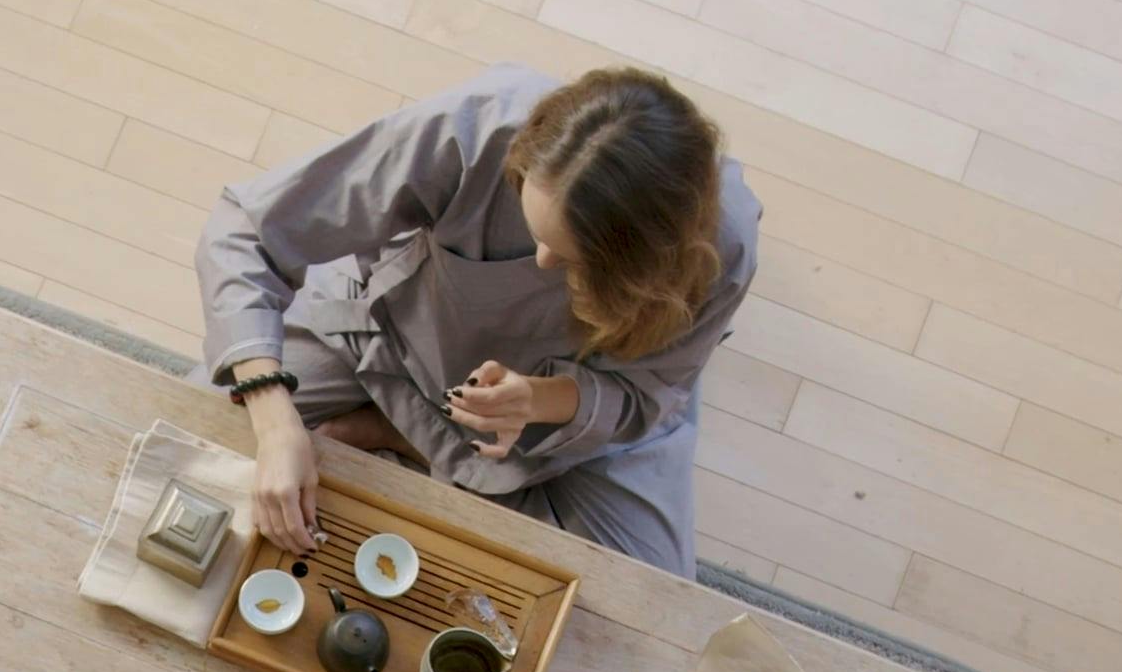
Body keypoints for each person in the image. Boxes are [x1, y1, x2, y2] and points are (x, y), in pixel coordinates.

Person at [198, 63, 759, 578]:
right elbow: (245, 231)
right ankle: (442, 452)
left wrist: (539, 400)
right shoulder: (474, 129)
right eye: (533, 232)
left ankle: (409, 438)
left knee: (648, 602)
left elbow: (646, 396)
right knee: (198, 432)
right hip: (389, 335)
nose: (540, 263)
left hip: (568, 424)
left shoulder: (722, 251)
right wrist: (275, 424)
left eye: (567, 259)